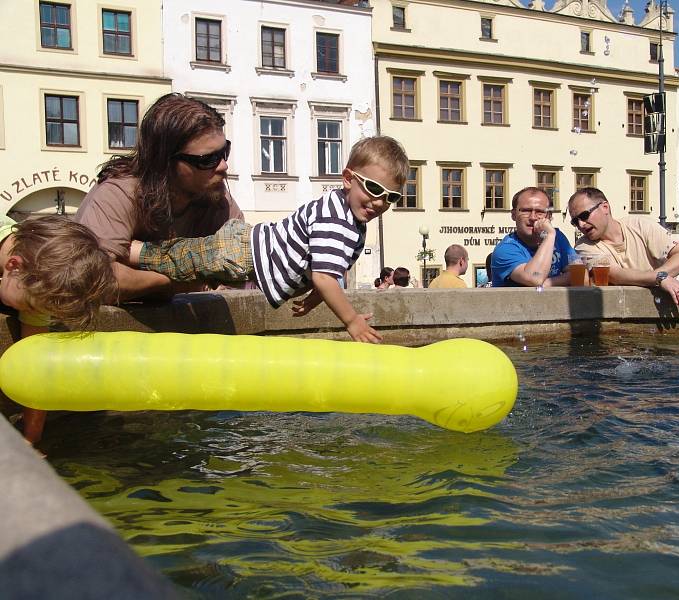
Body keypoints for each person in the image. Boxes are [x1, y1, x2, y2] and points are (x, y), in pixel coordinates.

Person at [129, 136, 409, 343]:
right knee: (178, 259)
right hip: (242, 253)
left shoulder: (348, 215)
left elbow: (323, 269)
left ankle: (135, 254)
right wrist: (352, 321)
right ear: (348, 178)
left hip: (249, 250)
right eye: (373, 188)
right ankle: (126, 250)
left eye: (391, 197)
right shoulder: (340, 221)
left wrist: (315, 298)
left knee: (184, 261)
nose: (379, 202)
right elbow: (324, 277)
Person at [75, 93, 244, 301]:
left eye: (224, 151)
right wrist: (175, 281)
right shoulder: (120, 194)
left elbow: (240, 260)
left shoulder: (216, 198)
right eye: (207, 159)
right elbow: (94, 278)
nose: (223, 166)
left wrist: (135, 256)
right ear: (165, 163)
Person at [0, 215, 116, 446]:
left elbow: (34, 366)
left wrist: (31, 440)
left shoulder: (37, 279)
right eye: (31, 307)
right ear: (13, 266)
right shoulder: (31, 276)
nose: (32, 313)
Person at [568, 187, 679, 307]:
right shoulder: (583, 246)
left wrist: (660, 276)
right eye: (575, 221)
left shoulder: (640, 225)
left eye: (584, 215)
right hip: (619, 312)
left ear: (605, 207)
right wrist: (659, 277)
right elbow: (615, 275)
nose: (581, 224)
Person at [491, 187, 576, 288]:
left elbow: (580, 276)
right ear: (513, 215)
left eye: (540, 212)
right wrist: (549, 236)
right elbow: (536, 278)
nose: (533, 217)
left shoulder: (558, 238)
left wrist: (546, 284)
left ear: (548, 216)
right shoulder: (505, 249)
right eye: (526, 211)